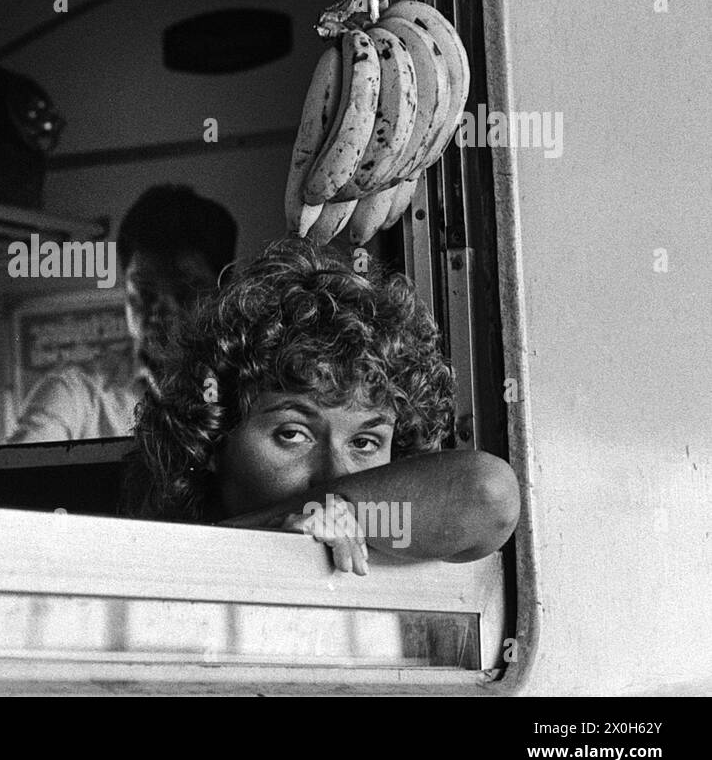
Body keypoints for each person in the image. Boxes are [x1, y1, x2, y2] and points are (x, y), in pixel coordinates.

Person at [124, 237, 519, 575]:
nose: (333, 476)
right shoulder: (158, 567)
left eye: (364, 443)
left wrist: (316, 512)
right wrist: (255, 538)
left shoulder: (388, 538)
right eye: (292, 434)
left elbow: (489, 493)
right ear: (212, 440)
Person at [6, 185, 238, 443]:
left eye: (185, 292)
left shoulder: (254, 388)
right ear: (127, 287)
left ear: (223, 291)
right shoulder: (78, 392)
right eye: (146, 291)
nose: (163, 311)